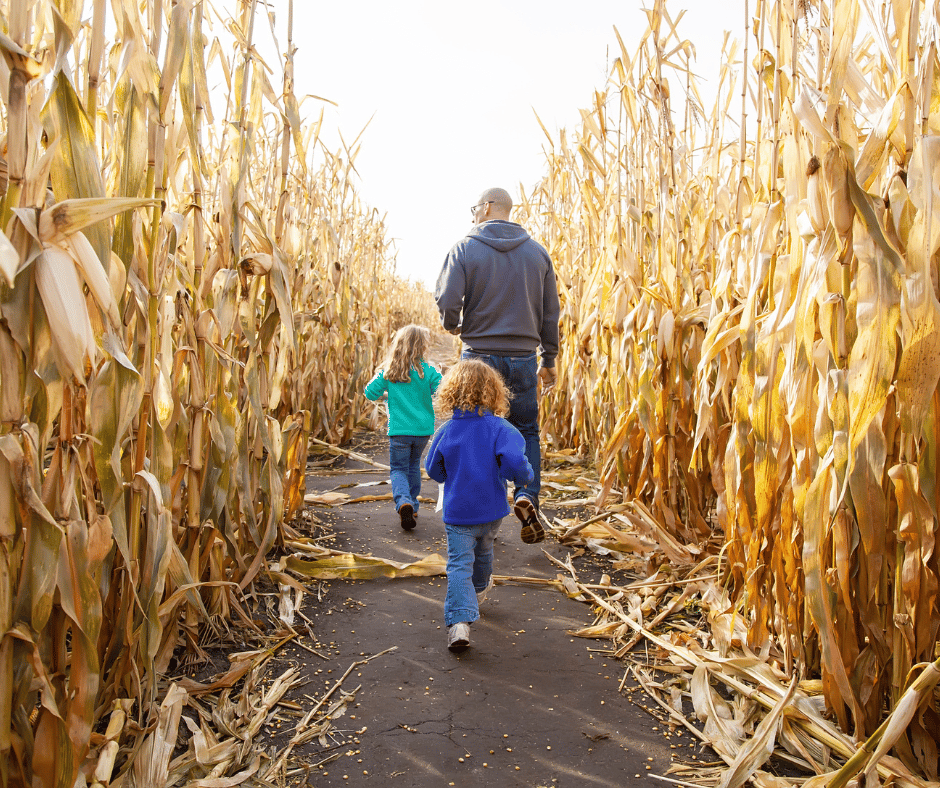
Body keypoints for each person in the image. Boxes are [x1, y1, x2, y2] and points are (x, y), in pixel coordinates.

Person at [434, 187, 560, 544]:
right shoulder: (538, 254)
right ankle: (525, 494)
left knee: (470, 429)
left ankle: (473, 513)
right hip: (522, 356)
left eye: (475, 208)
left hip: (477, 356)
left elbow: (447, 298)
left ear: (487, 207)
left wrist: (451, 322)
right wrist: (549, 359)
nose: (473, 215)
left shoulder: (463, 248)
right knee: (526, 429)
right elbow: (551, 313)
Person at [425, 359, 534, 651]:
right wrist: (523, 478)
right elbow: (516, 463)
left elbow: (433, 470)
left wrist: (451, 473)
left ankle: (460, 622)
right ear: (494, 392)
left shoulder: (447, 431)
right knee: (484, 549)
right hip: (492, 510)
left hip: (458, 511)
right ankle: (477, 590)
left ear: (452, 393)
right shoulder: (501, 428)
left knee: (459, 563)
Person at [364, 324, 442, 530]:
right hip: (423, 429)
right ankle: (413, 506)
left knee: (398, 469)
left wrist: (389, 395)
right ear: (422, 346)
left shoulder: (390, 371)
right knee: (414, 465)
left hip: (399, 430)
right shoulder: (429, 371)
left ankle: (403, 502)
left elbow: (370, 393)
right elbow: (442, 392)